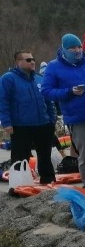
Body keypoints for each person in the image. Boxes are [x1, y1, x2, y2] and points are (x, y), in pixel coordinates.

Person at [41, 33, 85, 194]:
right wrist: (69, 92)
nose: (77, 50)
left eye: (79, 46)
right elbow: (46, 91)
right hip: (78, 119)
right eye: (72, 47)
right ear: (64, 49)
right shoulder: (54, 67)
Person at [0, 50, 57, 185]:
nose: (32, 62)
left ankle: (48, 180)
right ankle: (18, 185)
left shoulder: (39, 78)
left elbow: (48, 99)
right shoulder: (8, 78)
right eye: (28, 60)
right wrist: (7, 122)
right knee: (20, 157)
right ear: (18, 62)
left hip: (43, 123)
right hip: (21, 125)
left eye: (33, 59)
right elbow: (3, 101)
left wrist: (52, 119)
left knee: (45, 155)